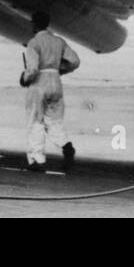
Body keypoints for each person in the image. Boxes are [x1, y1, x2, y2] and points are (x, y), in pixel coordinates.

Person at [21, 9, 80, 173]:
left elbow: (32, 69)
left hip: (39, 84)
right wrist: (61, 70)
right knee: (54, 121)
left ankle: (37, 160)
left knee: (36, 121)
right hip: (56, 82)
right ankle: (66, 145)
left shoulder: (34, 43)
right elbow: (75, 61)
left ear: (34, 24)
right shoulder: (58, 41)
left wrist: (24, 79)